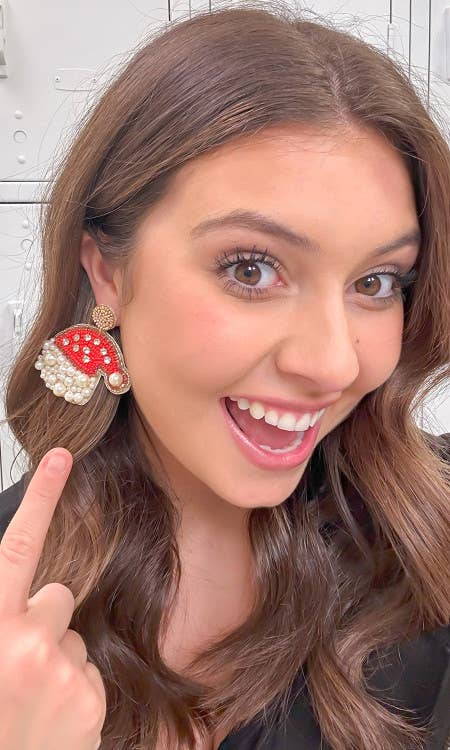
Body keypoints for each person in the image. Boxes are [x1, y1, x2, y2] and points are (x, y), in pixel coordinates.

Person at [0, 2, 449, 749]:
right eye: (251, 269)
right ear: (107, 272)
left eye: (376, 283)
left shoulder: (430, 536)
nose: (334, 363)